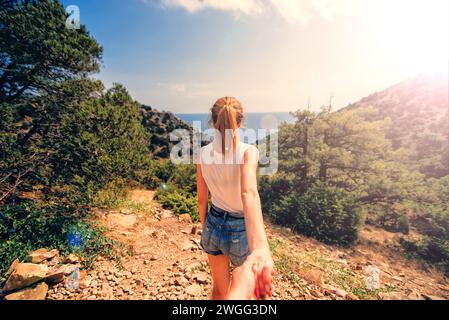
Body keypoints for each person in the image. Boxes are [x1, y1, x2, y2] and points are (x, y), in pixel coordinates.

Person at [197, 97, 275, 300]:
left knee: (220, 290)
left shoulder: (203, 154)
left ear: (213, 122)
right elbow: (249, 193)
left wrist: (206, 225)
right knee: (249, 292)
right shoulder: (249, 153)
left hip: (213, 224)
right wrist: (261, 245)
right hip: (241, 230)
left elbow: (201, 199)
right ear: (240, 122)